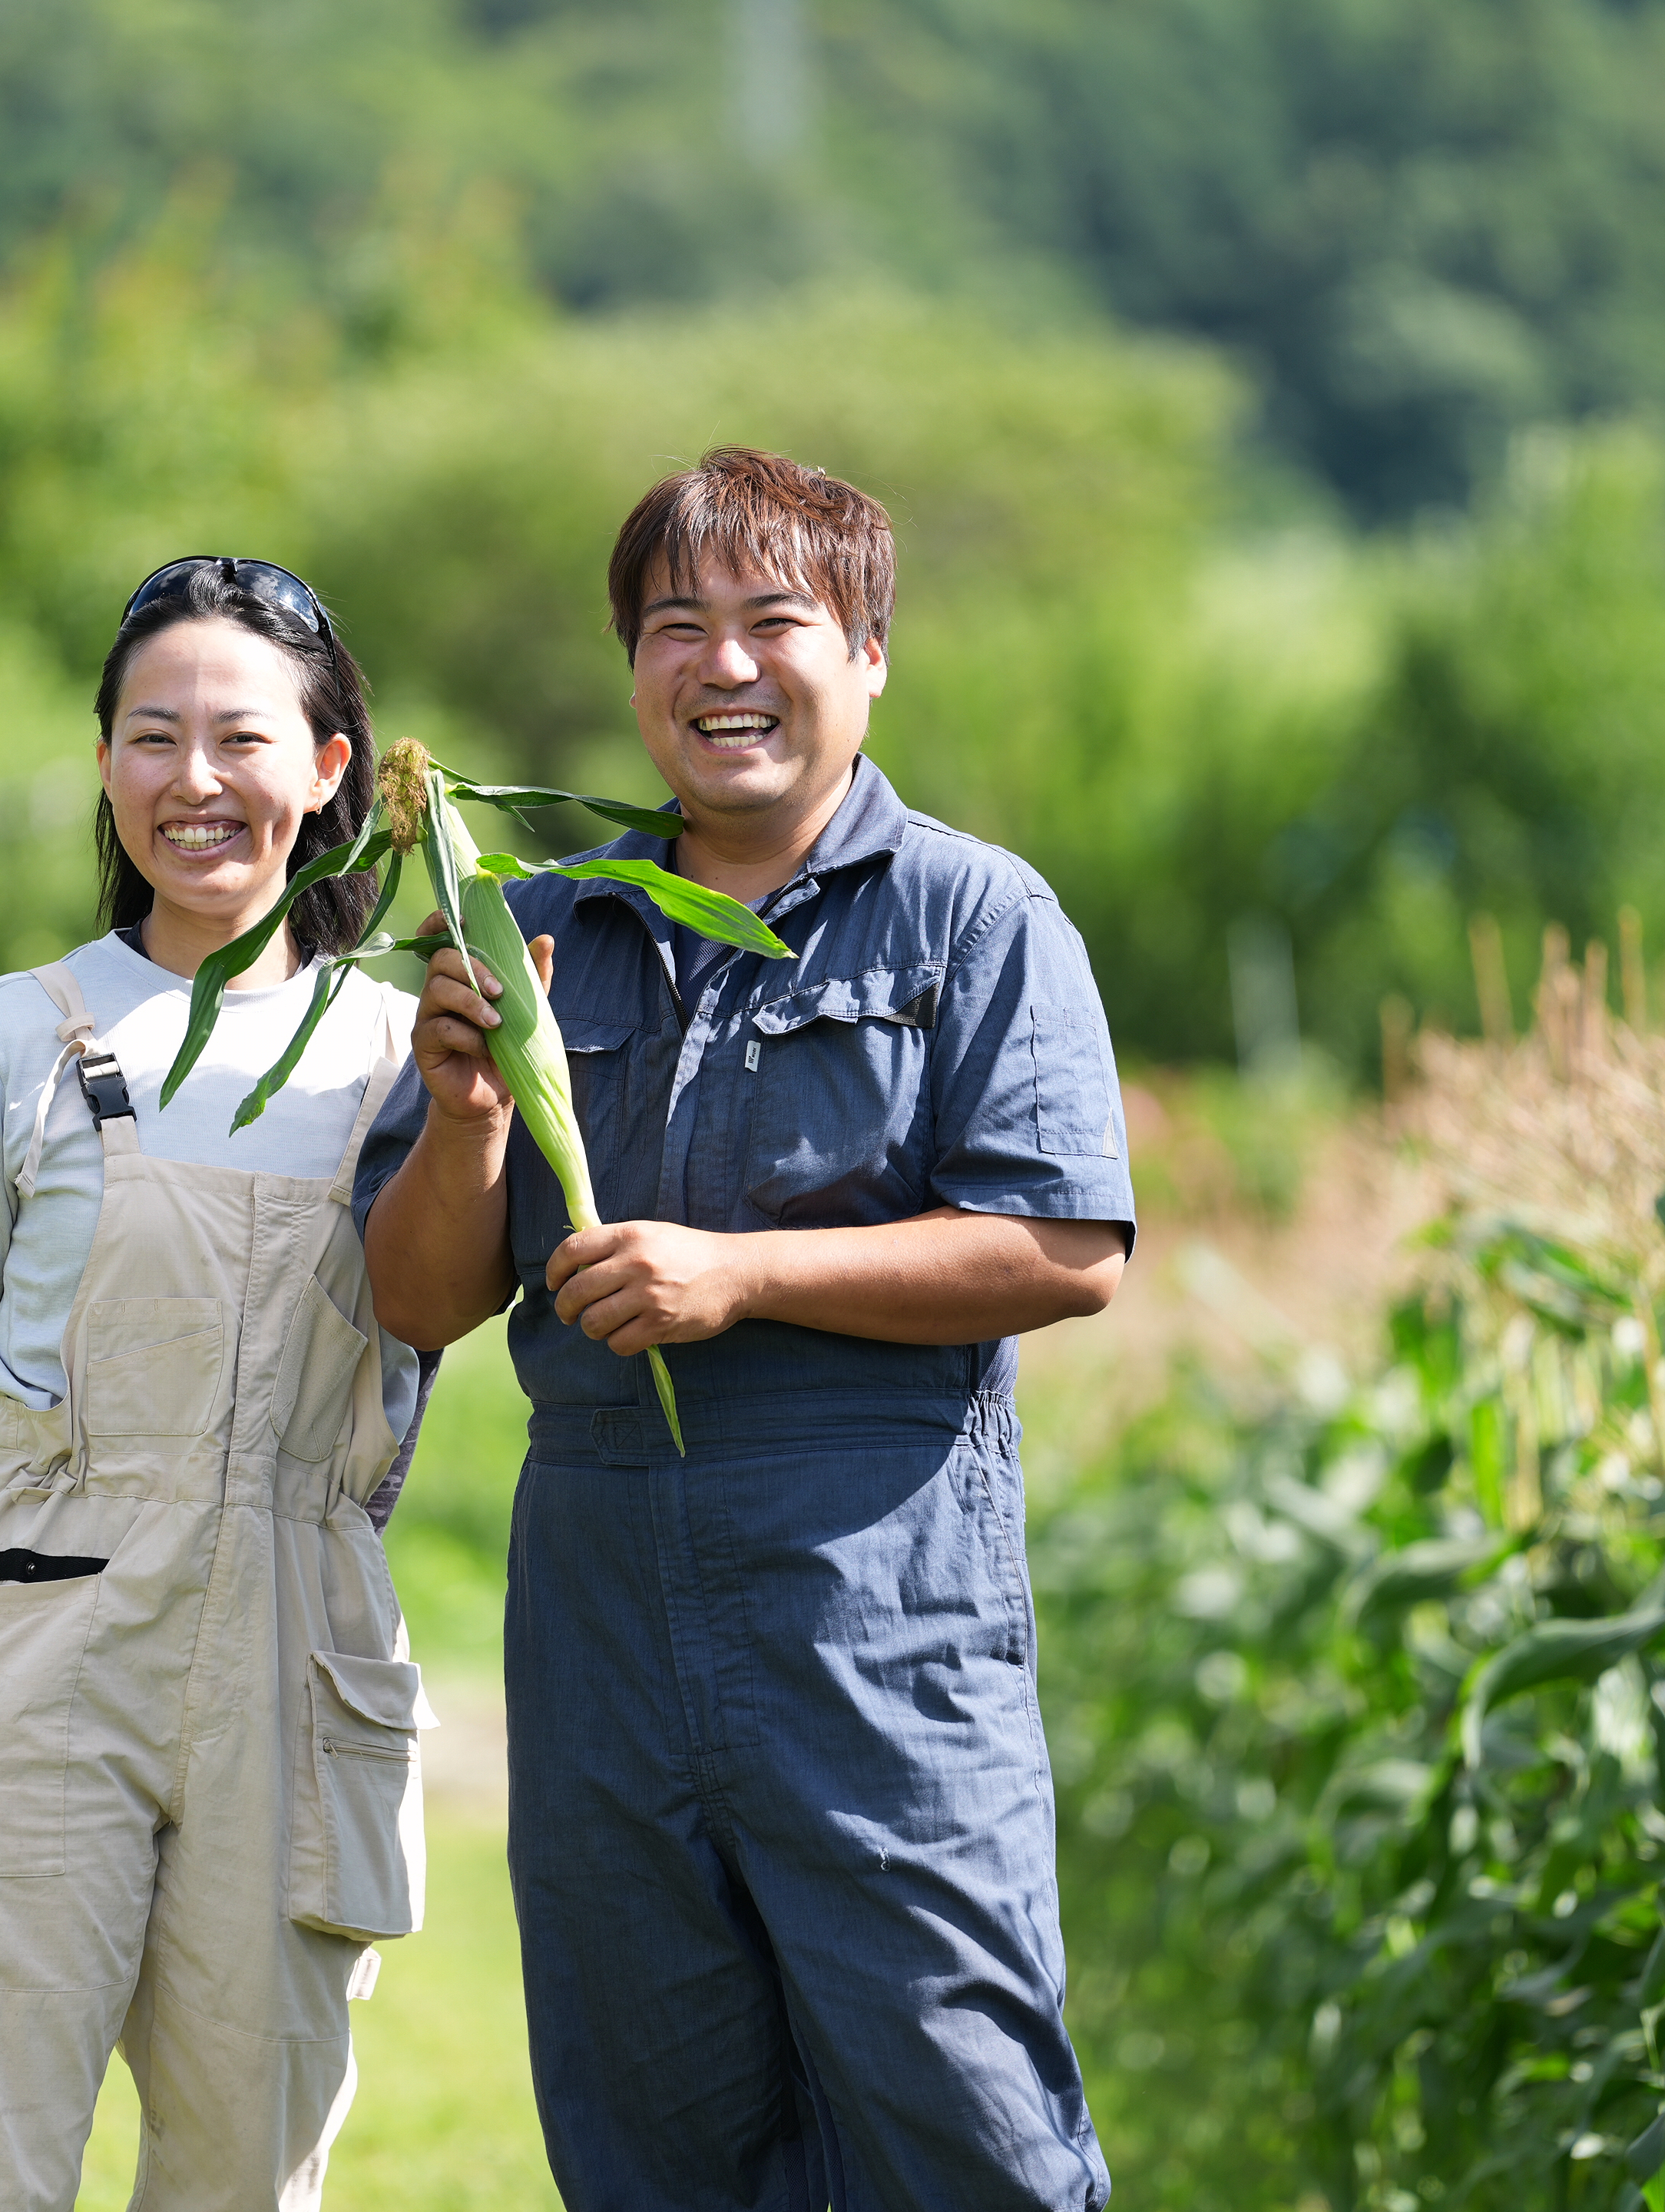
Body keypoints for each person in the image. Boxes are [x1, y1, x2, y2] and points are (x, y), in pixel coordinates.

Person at [358, 447, 1133, 2210]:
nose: (723, 667)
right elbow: (416, 1302)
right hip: (603, 1589)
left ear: (869, 657)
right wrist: (472, 1111)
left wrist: (747, 1275)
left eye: (775, 623)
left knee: (963, 2108)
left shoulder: (971, 914)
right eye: (674, 628)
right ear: (630, 670)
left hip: (874, 1594)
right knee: (654, 2117)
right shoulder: (537, 927)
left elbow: (1067, 1244)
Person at [0, 557, 435, 2210]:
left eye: (241, 740)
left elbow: (421, 1341)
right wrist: (25, 1585)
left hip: (297, 1642)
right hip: (36, 1633)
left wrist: (291, 1535)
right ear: (104, 765)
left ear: (331, 775)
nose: (195, 782)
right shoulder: (4, 1037)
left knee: (243, 2166)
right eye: (151, 737)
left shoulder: (402, 1050)